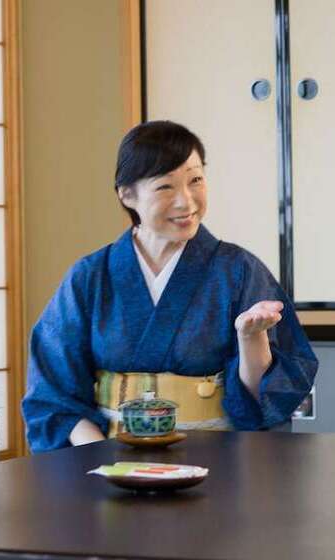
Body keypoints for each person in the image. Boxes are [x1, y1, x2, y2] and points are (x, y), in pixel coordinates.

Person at [23, 120, 318, 450]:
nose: (186, 201)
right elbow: (53, 394)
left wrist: (251, 338)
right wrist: (100, 460)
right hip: (108, 461)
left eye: (195, 180)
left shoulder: (239, 271)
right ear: (127, 194)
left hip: (216, 464)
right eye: (166, 187)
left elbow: (263, 400)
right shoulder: (90, 276)